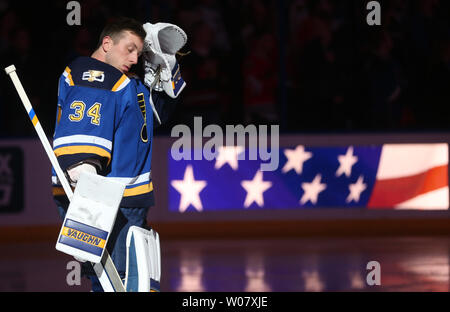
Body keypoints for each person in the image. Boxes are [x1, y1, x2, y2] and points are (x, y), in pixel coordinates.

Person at [51, 17, 179, 291]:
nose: (134, 59)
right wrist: (87, 206)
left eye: (139, 52)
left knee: (131, 280)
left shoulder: (122, 82)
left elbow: (151, 121)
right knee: (122, 281)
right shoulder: (93, 74)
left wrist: (163, 75)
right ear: (107, 43)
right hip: (106, 200)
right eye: (129, 49)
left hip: (124, 199)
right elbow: (81, 150)